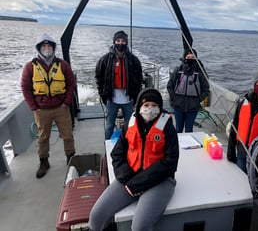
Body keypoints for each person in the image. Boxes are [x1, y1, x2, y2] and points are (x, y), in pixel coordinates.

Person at [88, 88, 179, 231]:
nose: (150, 109)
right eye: (146, 105)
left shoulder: (167, 129)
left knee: (139, 227)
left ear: (160, 108)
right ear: (138, 107)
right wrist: (126, 176)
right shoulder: (130, 126)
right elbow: (117, 154)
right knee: (96, 216)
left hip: (160, 181)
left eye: (154, 106)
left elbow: (170, 163)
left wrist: (138, 183)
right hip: (130, 176)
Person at [21, 33, 76, 178]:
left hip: (61, 108)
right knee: (43, 137)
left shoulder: (62, 65)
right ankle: (44, 162)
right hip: (41, 109)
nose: (46, 49)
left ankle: (71, 159)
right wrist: (34, 107)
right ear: (39, 48)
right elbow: (25, 88)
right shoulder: (30, 67)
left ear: (53, 48)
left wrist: (66, 102)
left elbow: (71, 84)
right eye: (44, 46)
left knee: (68, 135)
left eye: (49, 46)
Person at [95, 30, 143, 140]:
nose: (120, 43)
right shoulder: (105, 60)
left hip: (128, 100)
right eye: (118, 40)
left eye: (123, 41)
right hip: (112, 99)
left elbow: (138, 79)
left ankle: (130, 146)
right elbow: (99, 78)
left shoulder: (134, 60)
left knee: (131, 125)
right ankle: (108, 148)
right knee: (109, 126)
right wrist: (103, 95)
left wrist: (136, 98)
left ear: (126, 42)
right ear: (114, 42)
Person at [167, 48, 210, 133]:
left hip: (192, 107)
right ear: (184, 58)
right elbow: (170, 86)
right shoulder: (178, 71)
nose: (190, 59)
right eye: (188, 56)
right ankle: (177, 145)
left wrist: (198, 99)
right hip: (178, 105)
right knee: (178, 129)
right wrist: (174, 97)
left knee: (189, 130)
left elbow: (206, 89)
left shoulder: (200, 72)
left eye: (192, 57)